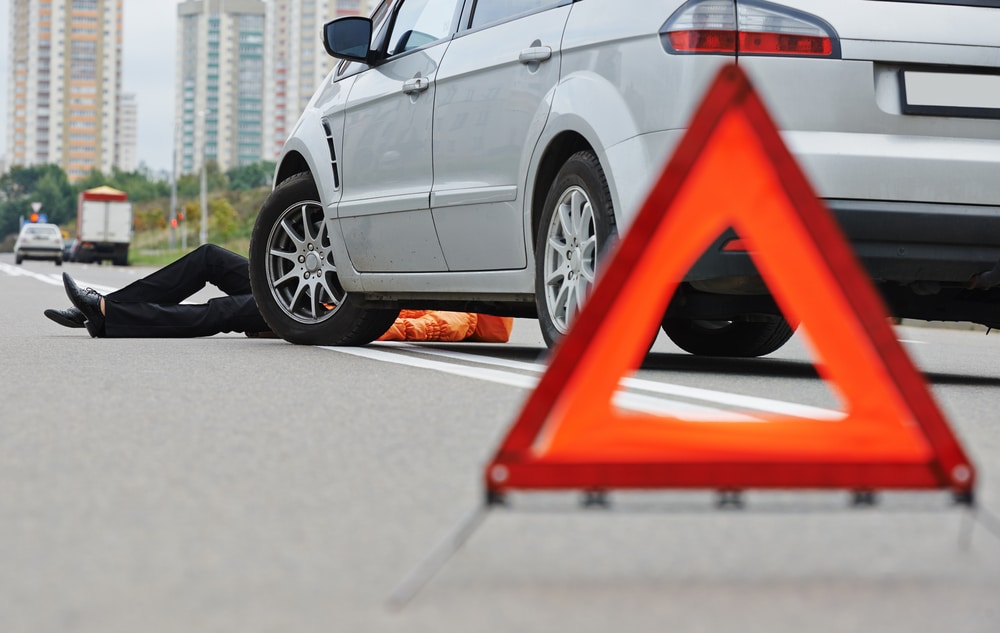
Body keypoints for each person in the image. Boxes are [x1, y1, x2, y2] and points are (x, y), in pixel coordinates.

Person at [46, 244, 513, 342]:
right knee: (210, 258)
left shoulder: (465, 314)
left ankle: (107, 315)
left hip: (320, 312)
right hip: (316, 291)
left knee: (226, 310)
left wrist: (330, 322)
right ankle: (107, 309)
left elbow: (411, 328)